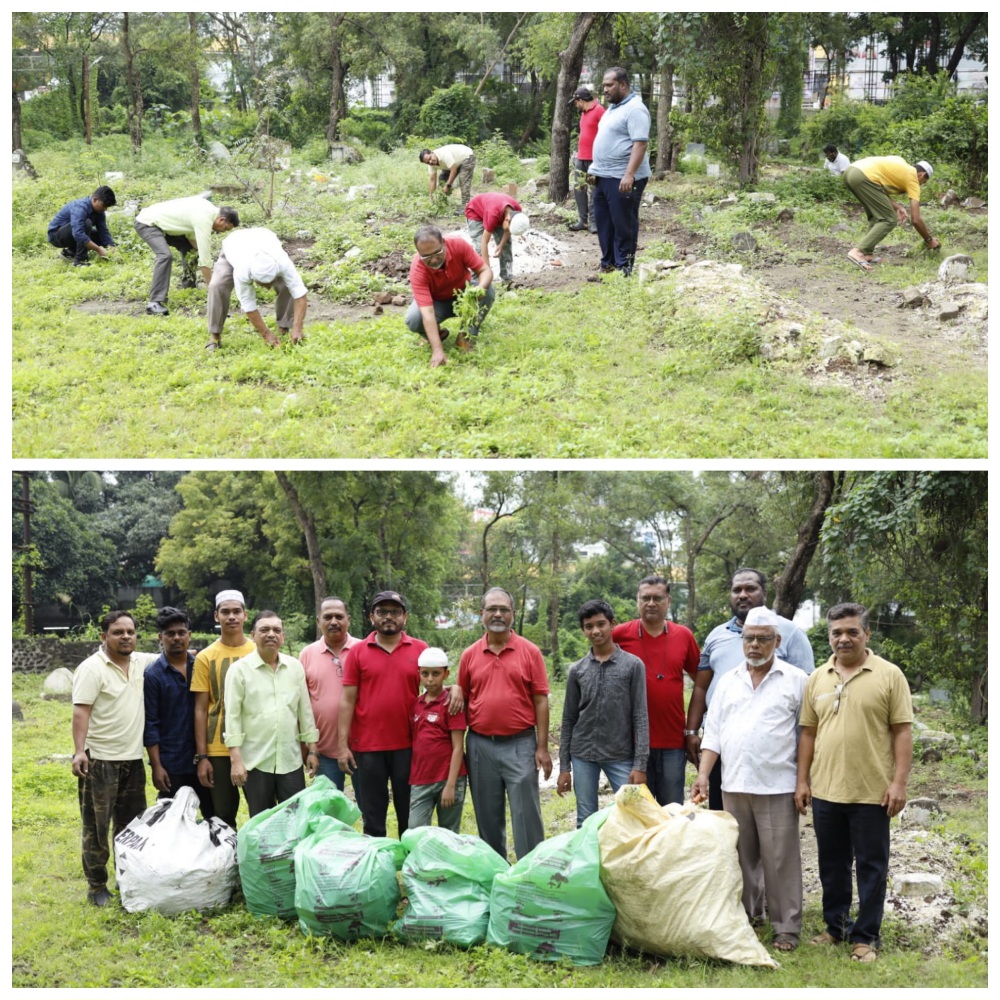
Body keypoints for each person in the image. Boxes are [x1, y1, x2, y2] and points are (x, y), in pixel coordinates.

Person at [796, 603, 913, 964]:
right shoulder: (818, 677)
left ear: (866, 634)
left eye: (851, 632)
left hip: (872, 792)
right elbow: (808, 734)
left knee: (871, 866)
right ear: (829, 636)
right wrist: (802, 780)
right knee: (831, 864)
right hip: (826, 791)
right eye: (836, 633)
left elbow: (902, 732)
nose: (843, 639)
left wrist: (899, 784)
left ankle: (866, 936)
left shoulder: (889, 675)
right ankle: (836, 927)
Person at [692, 607, 808, 953]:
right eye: (749, 639)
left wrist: (804, 781)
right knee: (742, 856)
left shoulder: (795, 679)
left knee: (780, 858)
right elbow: (713, 732)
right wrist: (702, 775)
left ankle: (786, 926)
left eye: (762, 639)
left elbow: (806, 735)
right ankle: (748, 914)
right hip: (734, 783)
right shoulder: (727, 681)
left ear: (777, 641)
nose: (754, 645)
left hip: (778, 783)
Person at [691, 567, 815, 810]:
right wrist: (691, 732)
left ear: (764, 593)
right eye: (737, 590)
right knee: (726, 826)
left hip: (775, 760)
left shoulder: (790, 633)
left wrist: (804, 777)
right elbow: (700, 688)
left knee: (775, 839)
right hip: (725, 752)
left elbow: (808, 705)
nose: (743, 594)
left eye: (750, 589)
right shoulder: (717, 635)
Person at [70, 610, 160, 906]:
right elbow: (81, 711)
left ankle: (127, 878)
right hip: (101, 761)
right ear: (104, 636)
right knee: (96, 826)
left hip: (133, 761)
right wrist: (80, 751)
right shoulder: (92, 668)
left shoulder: (141, 663)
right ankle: (97, 886)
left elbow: (172, 654)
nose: (125, 637)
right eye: (118, 632)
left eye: (130, 632)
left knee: (132, 825)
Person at [458, 587, 552, 860]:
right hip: (479, 745)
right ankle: (495, 875)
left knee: (527, 816)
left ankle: (530, 876)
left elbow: (541, 700)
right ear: (481, 614)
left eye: (504, 609)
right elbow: (461, 698)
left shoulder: (530, 652)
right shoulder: (469, 655)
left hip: (520, 743)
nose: (498, 614)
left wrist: (542, 747)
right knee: (487, 816)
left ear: (513, 614)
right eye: (491, 609)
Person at [336, 591, 428, 838]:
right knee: (373, 815)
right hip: (368, 747)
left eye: (395, 612)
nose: (389, 617)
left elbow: (435, 691)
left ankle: (411, 868)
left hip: (409, 746)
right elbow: (347, 700)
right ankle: (379, 870)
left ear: (404, 617)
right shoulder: (357, 652)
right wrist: (342, 745)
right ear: (372, 617)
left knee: (409, 814)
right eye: (382, 612)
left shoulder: (421, 649)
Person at [611, 575, 703, 806]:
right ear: (637, 601)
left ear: (668, 601)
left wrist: (692, 729)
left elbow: (701, 683)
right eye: (646, 598)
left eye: (657, 598)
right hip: (630, 742)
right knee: (636, 811)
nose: (651, 603)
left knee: (671, 810)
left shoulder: (684, 636)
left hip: (672, 740)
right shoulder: (619, 635)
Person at [557, 599, 648, 828]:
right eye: (589, 626)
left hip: (620, 754)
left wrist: (640, 765)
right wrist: (564, 768)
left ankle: (626, 864)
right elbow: (568, 719)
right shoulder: (577, 671)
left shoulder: (632, 665)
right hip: (583, 754)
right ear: (583, 630)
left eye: (601, 624)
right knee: (585, 820)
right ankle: (588, 864)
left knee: (630, 816)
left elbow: (640, 716)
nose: (595, 631)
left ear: (612, 624)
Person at [223, 610, 319, 817]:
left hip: (290, 760)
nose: (271, 634)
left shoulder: (294, 667)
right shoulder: (239, 670)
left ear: (283, 636)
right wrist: (236, 760)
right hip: (256, 762)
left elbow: (305, 711)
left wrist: (312, 750)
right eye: (264, 630)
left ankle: (290, 852)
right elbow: (232, 717)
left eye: (277, 630)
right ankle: (263, 852)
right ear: (253, 635)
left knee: (294, 821)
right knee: (261, 823)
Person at [191, 590, 256, 828]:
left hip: (255, 745)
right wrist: (202, 757)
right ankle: (228, 863)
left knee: (262, 813)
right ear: (216, 616)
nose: (232, 617)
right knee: (223, 815)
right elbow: (200, 709)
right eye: (225, 612)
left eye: (236, 611)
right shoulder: (206, 657)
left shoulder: (258, 652)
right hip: (218, 749)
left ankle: (258, 864)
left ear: (245, 615)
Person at [142, 606, 214, 818]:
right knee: (171, 822)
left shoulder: (201, 666)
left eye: (181, 633)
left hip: (206, 757)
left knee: (215, 817)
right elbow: (151, 722)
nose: (176, 638)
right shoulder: (154, 675)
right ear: (160, 637)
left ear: (189, 636)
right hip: (172, 762)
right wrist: (156, 766)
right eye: (170, 634)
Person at [588, 67, 651, 276]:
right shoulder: (613, 108)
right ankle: (608, 265)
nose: (605, 89)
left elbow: (640, 144)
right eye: (604, 85)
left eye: (609, 85)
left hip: (622, 178)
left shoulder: (635, 109)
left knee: (624, 225)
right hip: (603, 177)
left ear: (622, 84)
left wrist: (629, 174)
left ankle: (624, 269)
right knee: (604, 224)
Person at [405, 223, 495, 368]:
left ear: (444, 244)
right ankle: (435, 336)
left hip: (463, 296)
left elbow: (485, 271)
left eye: (437, 253)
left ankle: (465, 335)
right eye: (426, 256)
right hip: (437, 303)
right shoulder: (418, 270)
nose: (433, 260)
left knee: (488, 291)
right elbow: (427, 313)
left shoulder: (458, 245)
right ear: (418, 253)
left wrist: (479, 288)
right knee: (414, 319)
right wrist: (438, 350)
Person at [206, 226, 308, 351]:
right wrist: (266, 334)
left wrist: (298, 328)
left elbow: (300, 294)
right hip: (234, 247)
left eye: (271, 282)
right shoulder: (242, 270)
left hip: (264, 237)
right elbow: (248, 305)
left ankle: (284, 328)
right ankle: (215, 336)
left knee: (288, 286)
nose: (268, 287)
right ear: (253, 278)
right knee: (217, 285)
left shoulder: (282, 262)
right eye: (263, 284)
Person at [134, 196, 239, 316]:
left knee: (191, 250)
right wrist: (213, 288)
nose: (222, 231)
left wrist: (198, 252)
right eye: (225, 228)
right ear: (221, 220)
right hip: (147, 223)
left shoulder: (207, 210)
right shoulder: (204, 218)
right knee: (165, 256)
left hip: (166, 226)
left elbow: (194, 242)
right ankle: (154, 303)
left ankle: (189, 286)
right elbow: (205, 261)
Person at [299, 596, 361, 792]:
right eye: (328, 617)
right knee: (327, 812)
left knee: (370, 808)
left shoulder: (363, 649)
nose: (334, 622)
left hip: (362, 748)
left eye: (339, 616)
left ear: (348, 619)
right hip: (323, 750)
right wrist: (306, 746)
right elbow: (301, 703)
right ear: (318, 621)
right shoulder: (307, 654)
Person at [408, 647, 469, 833]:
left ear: (446, 674)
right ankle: (422, 863)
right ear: (418, 673)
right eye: (425, 674)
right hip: (421, 779)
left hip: (449, 779)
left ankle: (447, 863)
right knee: (416, 829)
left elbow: (458, 747)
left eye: (436, 674)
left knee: (448, 832)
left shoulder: (451, 704)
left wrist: (450, 786)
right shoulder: (416, 704)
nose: (430, 679)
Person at [843, 156, 940, 272]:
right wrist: (929, 240)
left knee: (876, 216)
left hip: (851, 171)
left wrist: (898, 207)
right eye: (923, 183)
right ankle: (858, 251)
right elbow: (916, 219)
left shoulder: (901, 164)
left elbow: (878, 188)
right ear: (922, 175)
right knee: (889, 219)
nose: (921, 185)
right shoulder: (913, 179)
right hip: (863, 177)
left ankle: (867, 253)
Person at [464, 192, 530, 287]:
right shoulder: (493, 214)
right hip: (475, 212)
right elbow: (484, 242)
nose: (507, 230)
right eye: (508, 228)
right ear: (507, 220)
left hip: (495, 211)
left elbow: (508, 230)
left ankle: (507, 279)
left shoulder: (517, 211)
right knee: (479, 248)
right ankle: (478, 281)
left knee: (507, 244)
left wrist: (501, 245)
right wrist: (487, 271)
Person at [47, 185, 116, 267]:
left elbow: (103, 230)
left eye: (106, 207)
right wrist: (98, 250)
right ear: (95, 200)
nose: (105, 209)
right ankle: (80, 261)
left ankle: (69, 253)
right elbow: (78, 233)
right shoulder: (80, 207)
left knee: (99, 236)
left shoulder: (99, 211)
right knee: (86, 224)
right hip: (56, 236)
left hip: (72, 233)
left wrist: (111, 247)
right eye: (103, 206)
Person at [568, 86, 605, 233]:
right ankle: (582, 220)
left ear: (581, 100)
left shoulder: (599, 110)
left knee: (594, 190)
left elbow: (606, 132)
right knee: (579, 189)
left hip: (593, 160)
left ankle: (593, 222)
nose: (575, 105)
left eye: (575, 102)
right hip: (581, 158)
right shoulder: (583, 113)